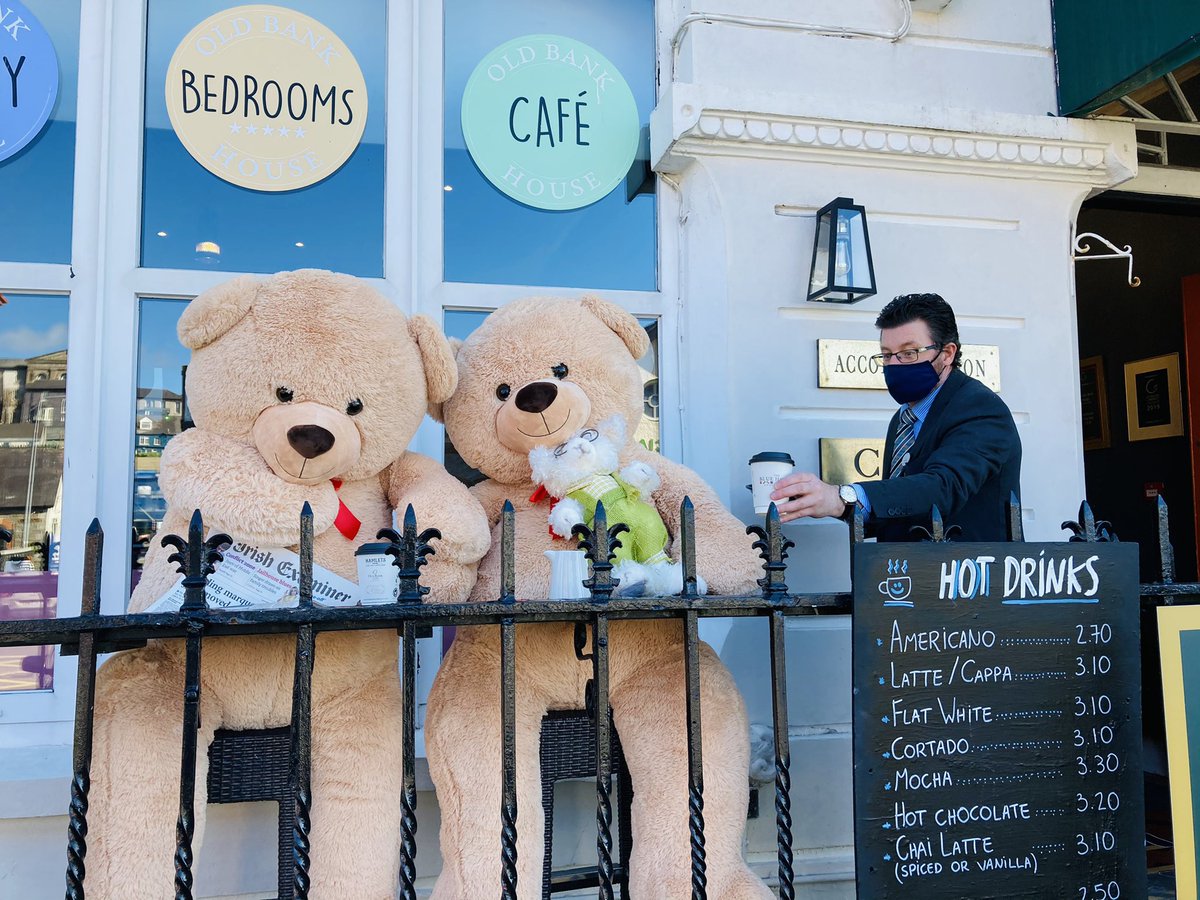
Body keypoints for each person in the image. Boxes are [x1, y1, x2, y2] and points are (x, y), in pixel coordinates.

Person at [771, 292, 1021, 541]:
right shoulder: (903, 419)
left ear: (947, 353)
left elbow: (943, 488)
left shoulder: (979, 407)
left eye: (909, 352)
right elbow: (900, 512)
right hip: (904, 576)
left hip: (972, 576)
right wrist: (824, 501)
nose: (896, 364)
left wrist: (842, 496)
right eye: (887, 354)